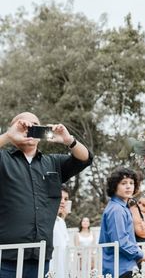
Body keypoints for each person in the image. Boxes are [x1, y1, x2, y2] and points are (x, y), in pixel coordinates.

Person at [0, 112, 92, 278]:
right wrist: (8, 135)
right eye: (23, 125)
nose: (29, 129)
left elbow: (85, 159)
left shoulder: (53, 162)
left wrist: (68, 140)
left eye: (34, 125)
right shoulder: (3, 159)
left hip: (41, 257)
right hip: (6, 258)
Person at [99, 168, 145, 278]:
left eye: (131, 183)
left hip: (124, 266)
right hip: (119, 268)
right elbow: (120, 242)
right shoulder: (117, 209)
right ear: (114, 186)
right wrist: (141, 254)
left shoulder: (122, 207)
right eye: (123, 183)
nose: (129, 186)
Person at [50, 186, 70, 278]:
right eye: (60, 197)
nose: (63, 202)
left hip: (62, 270)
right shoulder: (45, 221)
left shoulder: (61, 222)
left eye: (65, 199)